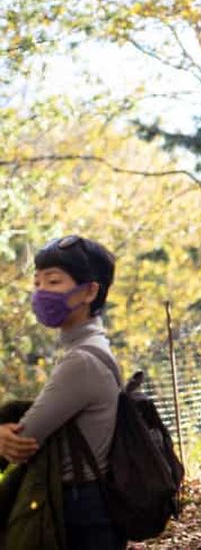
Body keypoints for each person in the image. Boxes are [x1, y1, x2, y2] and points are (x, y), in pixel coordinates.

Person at [0, 235, 124, 549]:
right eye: (37, 282)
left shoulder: (81, 360)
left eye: (53, 281)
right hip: (86, 506)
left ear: (90, 290)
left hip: (78, 514)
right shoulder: (86, 348)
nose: (41, 292)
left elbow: (22, 441)